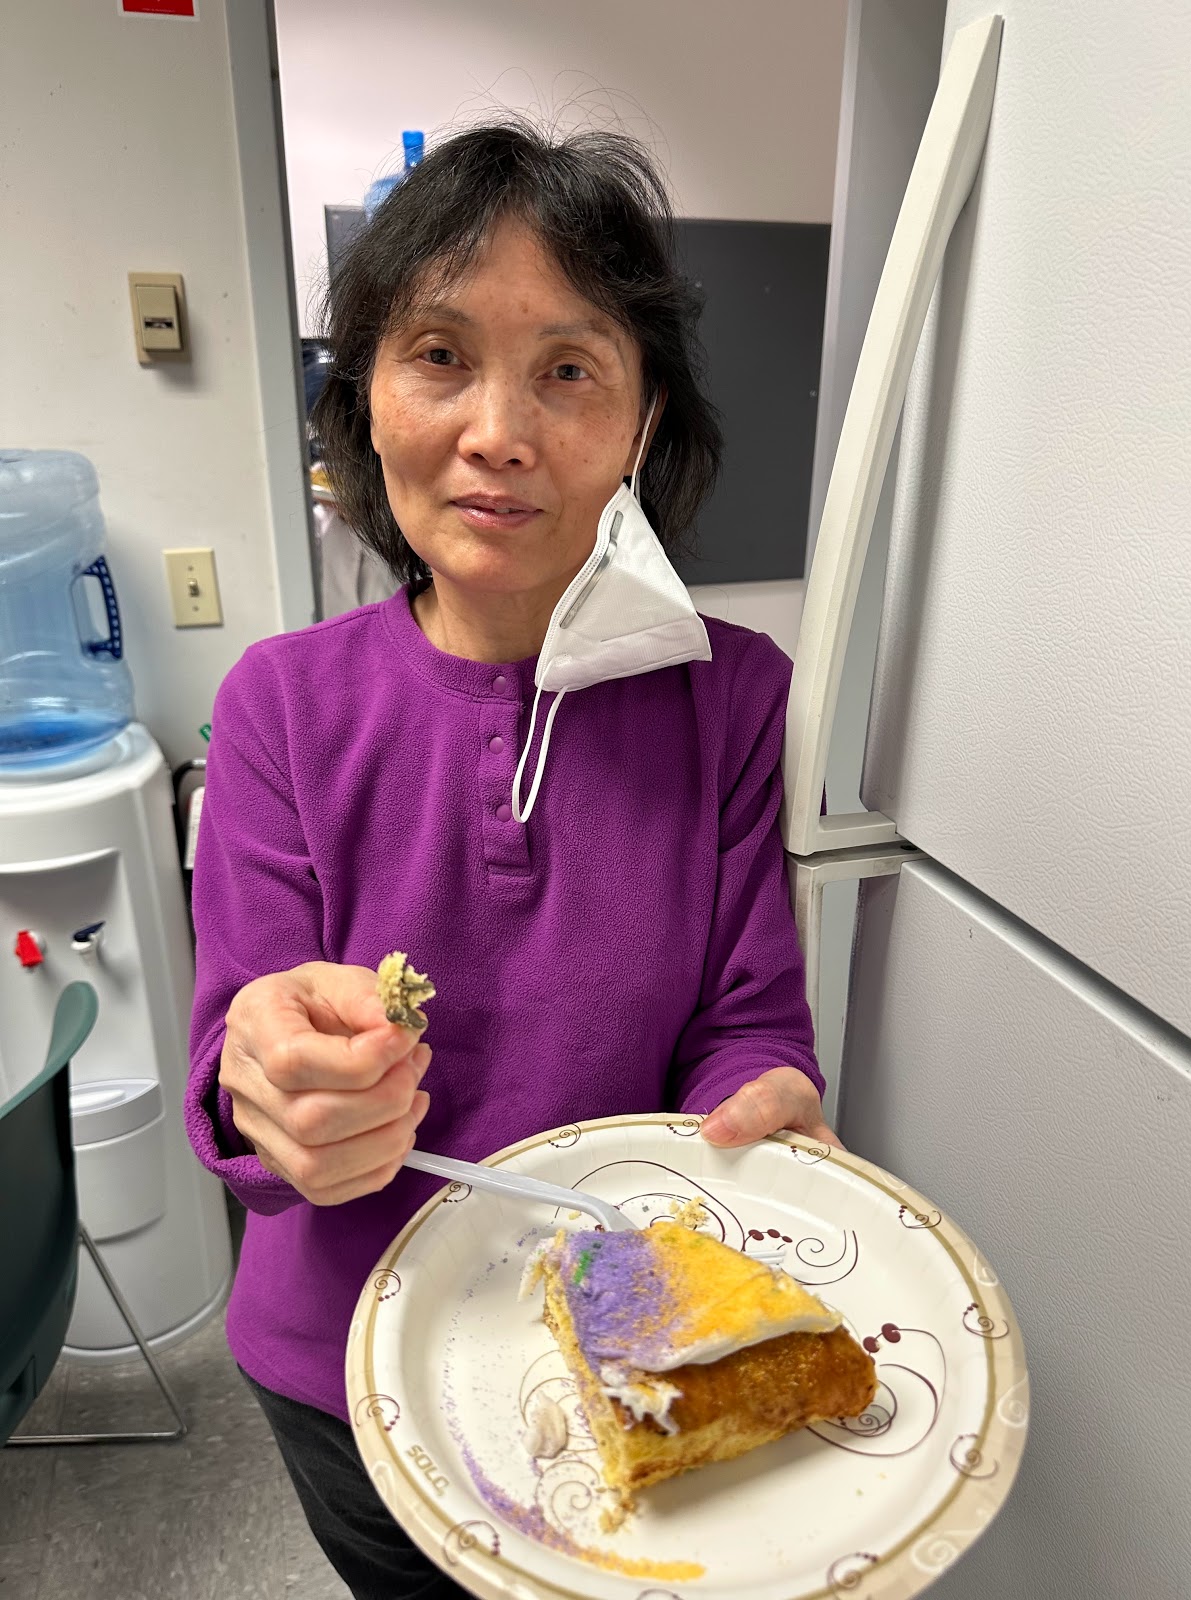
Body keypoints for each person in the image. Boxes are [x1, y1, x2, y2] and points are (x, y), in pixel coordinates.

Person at [185, 120, 839, 1600]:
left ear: (644, 419)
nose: (499, 432)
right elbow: (235, 1069)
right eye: (439, 356)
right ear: (364, 399)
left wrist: (768, 1097)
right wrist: (275, 1091)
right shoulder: (281, 705)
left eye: (568, 369)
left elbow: (746, 1022)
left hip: (627, 1343)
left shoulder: (734, 696)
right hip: (343, 1363)